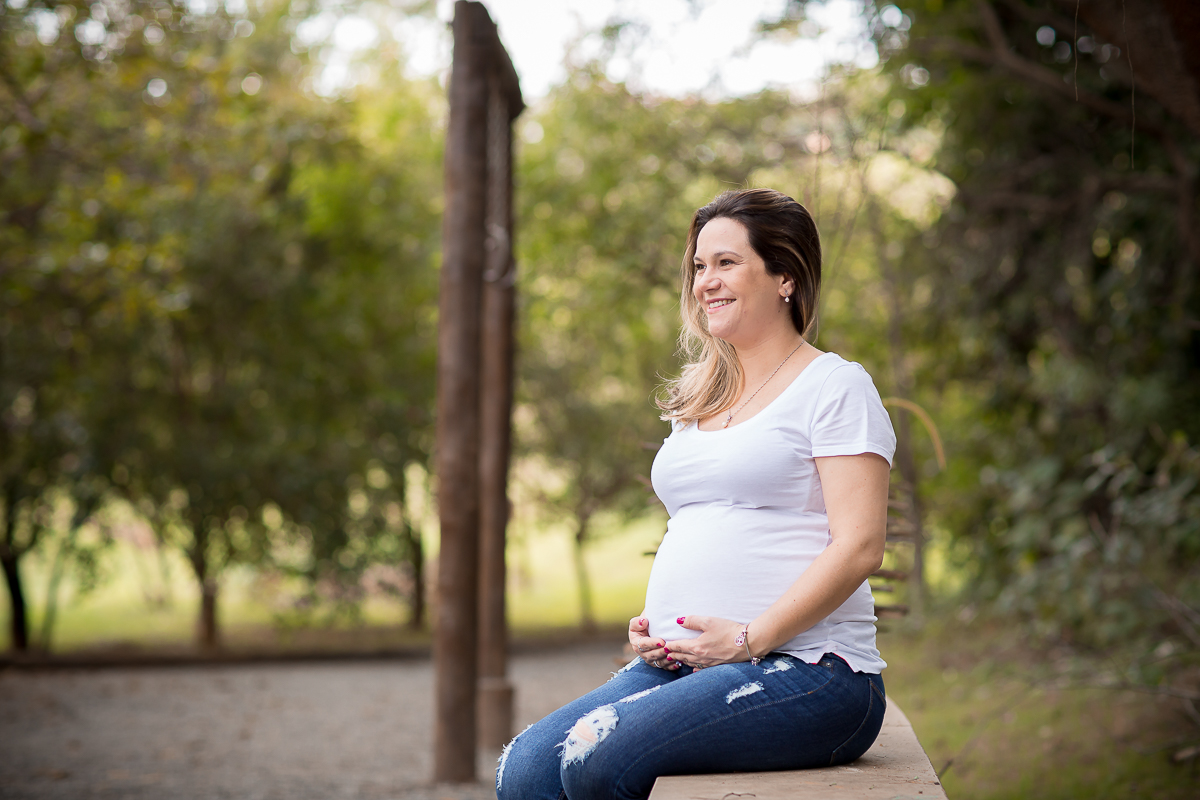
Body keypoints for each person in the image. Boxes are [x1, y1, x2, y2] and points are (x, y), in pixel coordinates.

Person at [496, 187, 896, 800]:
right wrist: (658, 624)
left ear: (786, 277)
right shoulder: (699, 397)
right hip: (683, 664)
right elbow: (700, 524)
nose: (706, 281)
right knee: (524, 773)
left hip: (812, 669)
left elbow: (861, 545)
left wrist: (746, 638)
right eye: (700, 266)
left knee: (596, 758)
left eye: (727, 263)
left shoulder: (835, 386)